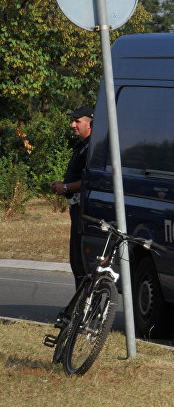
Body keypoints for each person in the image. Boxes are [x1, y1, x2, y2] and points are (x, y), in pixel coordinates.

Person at [49, 105, 93, 289]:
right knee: (76, 262)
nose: (72, 124)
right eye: (73, 120)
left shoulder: (93, 147)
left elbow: (91, 180)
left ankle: (85, 309)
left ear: (90, 122)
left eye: (77, 121)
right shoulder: (82, 146)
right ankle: (80, 307)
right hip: (76, 210)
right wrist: (61, 185)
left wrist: (66, 186)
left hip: (85, 211)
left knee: (81, 262)